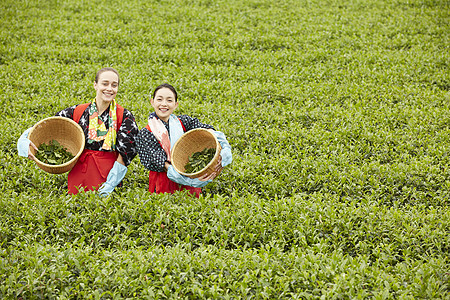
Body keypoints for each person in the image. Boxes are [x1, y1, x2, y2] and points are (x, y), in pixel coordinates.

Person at [17, 67, 139, 196]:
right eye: (105, 83)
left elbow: (127, 152)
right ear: (95, 85)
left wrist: (111, 183)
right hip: (79, 174)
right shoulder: (77, 111)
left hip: (108, 175)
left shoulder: (124, 115)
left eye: (114, 85)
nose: (109, 88)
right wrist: (25, 139)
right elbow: (50, 125)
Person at [136, 83, 232, 197]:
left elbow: (206, 129)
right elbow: (159, 162)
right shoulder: (146, 133)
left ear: (176, 104)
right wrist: (186, 180)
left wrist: (223, 145)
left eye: (169, 100)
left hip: (189, 173)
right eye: (159, 99)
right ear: (152, 102)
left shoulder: (183, 122)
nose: (164, 104)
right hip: (164, 181)